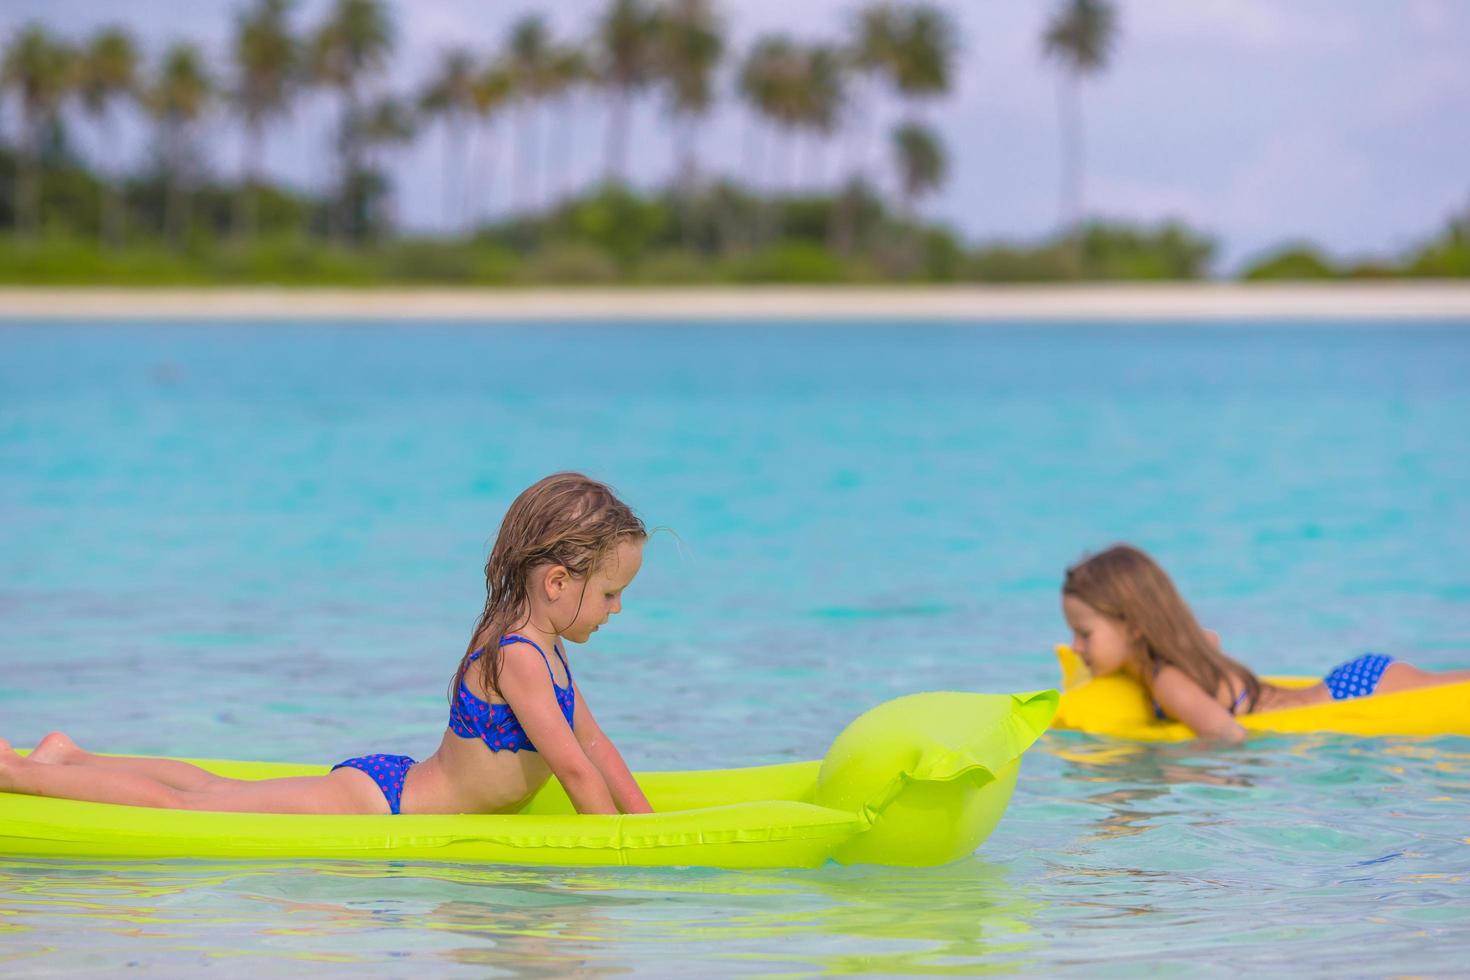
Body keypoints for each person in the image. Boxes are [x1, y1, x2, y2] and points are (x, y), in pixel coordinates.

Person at [0, 472, 653, 817]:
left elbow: (594, 746)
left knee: (215, 786)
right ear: (557, 580)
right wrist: (614, 861)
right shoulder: (518, 654)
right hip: (384, 807)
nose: (617, 608)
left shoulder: (547, 642)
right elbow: (571, 770)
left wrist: (646, 824)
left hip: (401, 787)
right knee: (196, 806)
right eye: (609, 594)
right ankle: (19, 774)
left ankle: (70, 755)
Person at [1061, 544, 1470, 743]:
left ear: (1133, 627)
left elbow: (1227, 735)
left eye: (1085, 634)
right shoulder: (1182, 653)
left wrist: (1157, 760)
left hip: (1353, 697)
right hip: (1353, 681)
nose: (1076, 646)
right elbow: (1209, 639)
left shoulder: (1165, 678)